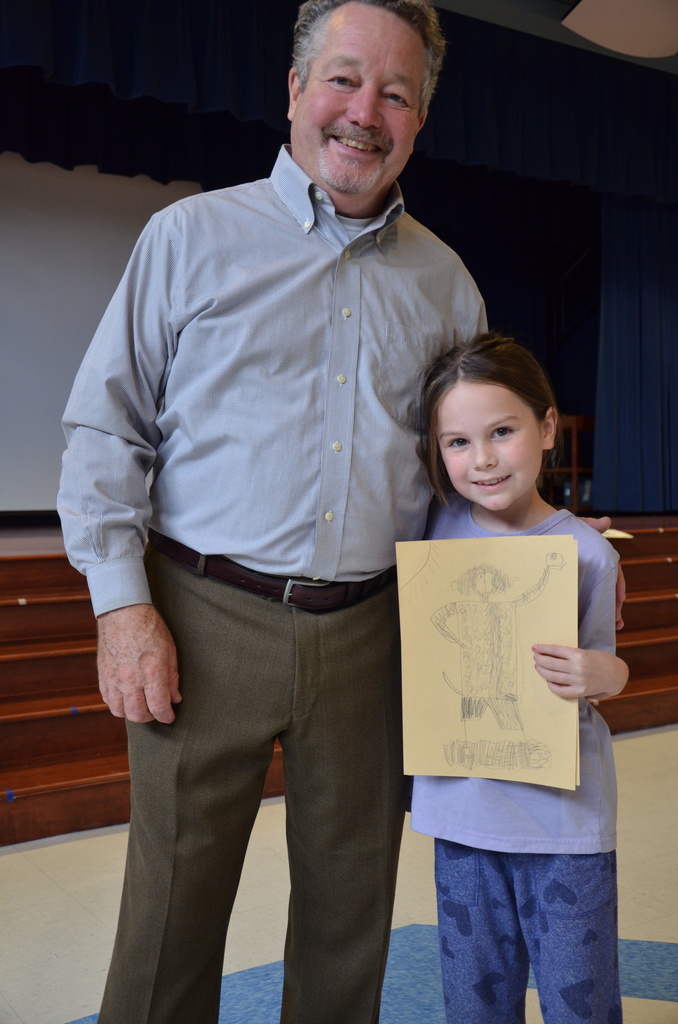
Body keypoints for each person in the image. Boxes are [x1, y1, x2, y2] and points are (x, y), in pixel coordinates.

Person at [57, 3, 489, 1022]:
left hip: (373, 629)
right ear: (294, 91)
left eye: (397, 94)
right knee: (168, 924)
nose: (364, 113)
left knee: (352, 925)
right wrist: (123, 611)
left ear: (421, 119)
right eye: (344, 79)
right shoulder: (190, 237)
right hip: (200, 618)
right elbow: (104, 429)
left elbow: (470, 483)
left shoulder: (448, 284)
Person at [410, 332, 628, 1024]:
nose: (482, 459)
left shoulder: (586, 552)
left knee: (580, 1001)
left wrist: (600, 672)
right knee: (474, 1002)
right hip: (464, 818)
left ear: (547, 428)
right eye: (457, 442)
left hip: (561, 824)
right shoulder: (431, 530)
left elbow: (612, 666)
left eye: (502, 432)